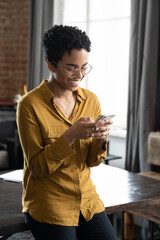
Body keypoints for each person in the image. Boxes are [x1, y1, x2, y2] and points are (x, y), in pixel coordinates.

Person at [17, 25, 117, 240]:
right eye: (71, 68)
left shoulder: (91, 100)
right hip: (50, 204)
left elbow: (91, 162)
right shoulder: (30, 105)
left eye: (84, 67)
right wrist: (70, 135)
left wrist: (100, 140)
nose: (79, 75)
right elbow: (37, 167)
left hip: (87, 200)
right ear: (51, 64)